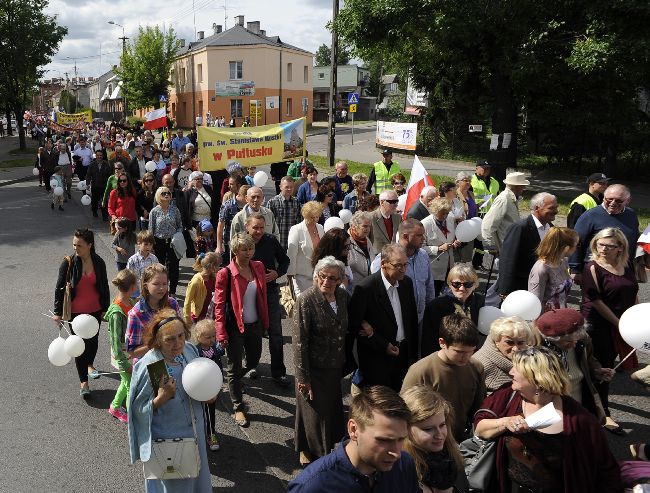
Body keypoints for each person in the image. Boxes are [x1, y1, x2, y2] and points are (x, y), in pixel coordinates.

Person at [473, 346, 621, 493]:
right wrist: (505, 422)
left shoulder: (580, 420)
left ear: (537, 379)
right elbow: (480, 430)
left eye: (517, 369)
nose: (511, 371)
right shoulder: (506, 395)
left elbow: (605, 468)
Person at [128, 310, 213, 492]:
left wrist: (208, 395)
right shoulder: (155, 365)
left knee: (196, 479)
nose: (178, 343)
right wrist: (161, 399)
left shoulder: (188, 351)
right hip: (170, 443)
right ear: (158, 340)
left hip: (195, 435)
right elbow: (137, 411)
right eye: (170, 339)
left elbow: (199, 384)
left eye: (181, 335)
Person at [288, 385, 421, 493]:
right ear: (353, 430)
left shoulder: (404, 465)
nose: (396, 453)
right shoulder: (312, 487)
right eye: (384, 440)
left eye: (401, 440)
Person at [293, 256, 351, 465]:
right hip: (313, 367)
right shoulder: (306, 300)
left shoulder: (343, 297)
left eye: (332, 278)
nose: (327, 281)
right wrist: (303, 377)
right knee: (312, 412)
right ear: (316, 276)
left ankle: (324, 448)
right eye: (322, 276)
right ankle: (310, 450)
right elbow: (299, 341)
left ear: (340, 280)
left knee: (330, 410)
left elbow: (351, 319)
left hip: (334, 365)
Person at [581, 227, 639, 433]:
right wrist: (619, 324)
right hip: (599, 326)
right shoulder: (592, 268)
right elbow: (596, 301)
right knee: (601, 370)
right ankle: (602, 414)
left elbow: (633, 292)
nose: (603, 249)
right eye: (600, 244)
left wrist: (636, 317)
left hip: (621, 324)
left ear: (620, 247)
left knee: (608, 368)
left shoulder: (626, 265)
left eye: (609, 245)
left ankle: (594, 412)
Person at [214, 233, 269, 427]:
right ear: (235, 251)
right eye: (244, 249)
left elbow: (262, 296)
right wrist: (221, 332)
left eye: (251, 249)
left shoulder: (258, 267)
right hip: (235, 328)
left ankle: (235, 379)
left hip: (255, 326)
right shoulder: (225, 273)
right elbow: (219, 305)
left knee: (253, 360)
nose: (248, 253)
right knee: (234, 367)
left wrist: (266, 322)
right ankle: (238, 407)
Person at [402, 314, 485, 440]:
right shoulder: (420, 371)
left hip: (461, 438)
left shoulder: (476, 367)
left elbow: (479, 406)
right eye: (459, 352)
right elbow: (405, 412)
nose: (466, 357)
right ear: (442, 343)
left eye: (471, 351)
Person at [350, 244, 418, 391]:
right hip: (377, 360)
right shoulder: (365, 288)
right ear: (383, 264)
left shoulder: (407, 283)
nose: (403, 270)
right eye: (398, 265)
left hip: (403, 355)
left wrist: (413, 355)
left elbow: (411, 321)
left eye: (406, 264)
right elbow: (356, 328)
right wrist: (383, 345)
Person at [53, 229, 110, 396]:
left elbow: (104, 286)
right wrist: (57, 312)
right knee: (78, 346)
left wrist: (105, 308)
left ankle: (90, 364)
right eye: (74, 245)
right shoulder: (68, 262)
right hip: (75, 313)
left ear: (90, 245)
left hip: (95, 310)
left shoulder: (98, 262)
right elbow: (59, 288)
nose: (76, 248)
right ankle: (84, 382)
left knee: (93, 342)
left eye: (80, 245)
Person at [536, 308, 611, 425]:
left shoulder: (582, 339)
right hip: (552, 403)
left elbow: (589, 358)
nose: (574, 344)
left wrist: (596, 370)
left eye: (576, 339)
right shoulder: (537, 351)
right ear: (552, 339)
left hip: (579, 399)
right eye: (568, 341)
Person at [370, 219, 435, 340]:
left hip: (420, 317)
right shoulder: (383, 260)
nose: (424, 239)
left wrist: (430, 310)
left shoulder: (423, 255)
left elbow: (428, 284)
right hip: (396, 322)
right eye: (419, 235)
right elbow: (376, 294)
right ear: (405, 236)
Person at [247, 213, 291, 387]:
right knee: (251, 332)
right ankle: (251, 366)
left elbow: (285, 261)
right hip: (249, 293)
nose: (258, 231)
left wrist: (277, 273)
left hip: (270, 291)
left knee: (276, 333)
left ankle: (278, 372)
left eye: (261, 227)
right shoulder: (241, 243)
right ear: (247, 227)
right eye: (255, 227)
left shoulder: (271, 241)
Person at [401, 385, 468, 493]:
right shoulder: (399, 469)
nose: (439, 434)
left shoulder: (452, 459)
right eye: (428, 429)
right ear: (406, 430)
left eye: (442, 425)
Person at [569, 184, 640, 282]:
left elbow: (634, 239)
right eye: (609, 199)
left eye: (618, 200)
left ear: (628, 200)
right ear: (603, 198)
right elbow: (576, 242)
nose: (613, 203)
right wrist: (575, 269)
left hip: (624, 269)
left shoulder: (631, 215)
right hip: (597, 272)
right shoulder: (590, 216)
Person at [493, 192, 558, 299]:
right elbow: (508, 259)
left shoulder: (550, 228)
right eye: (551, 208)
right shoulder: (520, 228)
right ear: (537, 208)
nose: (556, 211)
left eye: (556, 207)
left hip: (542, 286)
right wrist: (505, 290)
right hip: (521, 286)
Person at [421, 264, 485, 357]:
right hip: (445, 357)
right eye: (457, 284)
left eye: (467, 284)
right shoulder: (436, 306)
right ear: (450, 284)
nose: (462, 288)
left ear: (475, 285)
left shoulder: (479, 301)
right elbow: (428, 341)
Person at [126, 263, 182, 360]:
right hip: (151, 364)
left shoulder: (172, 303)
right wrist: (157, 343)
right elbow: (133, 352)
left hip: (174, 358)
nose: (162, 288)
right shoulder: (136, 314)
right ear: (146, 285)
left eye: (165, 284)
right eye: (156, 284)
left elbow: (182, 331)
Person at [104, 269, 137, 423]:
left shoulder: (129, 301)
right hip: (122, 354)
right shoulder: (117, 312)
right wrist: (123, 362)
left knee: (126, 381)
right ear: (131, 287)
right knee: (130, 383)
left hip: (129, 351)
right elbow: (115, 341)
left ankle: (115, 407)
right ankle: (132, 416)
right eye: (136, 284)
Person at [473, 316, 535, 393]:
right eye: (509, 342)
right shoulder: (480, 364)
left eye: (520, 343)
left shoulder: (534, 359)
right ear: (496, 340)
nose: (515, 348)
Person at [191, 319, 226, 452]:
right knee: (198, 411)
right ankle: (198, 433)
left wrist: (222, 345)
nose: (212, 339)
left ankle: (211, 434)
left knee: (210, 411)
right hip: (200, 386)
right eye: (208, 337)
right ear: (199, 337)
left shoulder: (214, 348)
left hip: (212, 386)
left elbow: (221, 351)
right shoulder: (195, 351)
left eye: (213, 336)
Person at [528, 226, 579, 311]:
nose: (576, 248)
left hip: (560, 314)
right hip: (546, 318)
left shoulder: (563, 262)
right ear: (566, 248)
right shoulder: (541, 269)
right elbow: (535, 302)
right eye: (576, 245)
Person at [481, 172, 528, 253]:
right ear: (517, 187)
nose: (524, 188)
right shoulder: (504, 199)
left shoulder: (511, 198)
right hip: (504, 249)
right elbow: (488, 224)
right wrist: (490, 247)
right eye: (523, 186)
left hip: (509, 247)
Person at [149, 186, 183, 295]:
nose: (167, 195)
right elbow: (151, 230)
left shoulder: (175, 209)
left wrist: (177, 235)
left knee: (173, 267)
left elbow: (180, 226)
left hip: (172, 242)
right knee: (159, 268)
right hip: (159, 242)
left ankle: (172, 291)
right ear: (158, 195)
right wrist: (151, 246)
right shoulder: (154, 211)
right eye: (163, 193)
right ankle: (160, 291)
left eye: (168, 193)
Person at [421, 198, 459, 295]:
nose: (445, 216)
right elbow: (420, 248)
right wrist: (438, 248)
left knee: (449, 294)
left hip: (449, 265)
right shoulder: (425, 224)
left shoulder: (450, 219)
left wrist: (455, 242)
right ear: (434, 211)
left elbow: (453, 237)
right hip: (434, 269)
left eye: (447, 213)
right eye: (442, 213)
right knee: (434, 294)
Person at [287, 202, 325, 296]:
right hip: (302, 277)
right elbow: (291, 254)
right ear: (305, 216)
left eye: (317, 217)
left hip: (319, 273)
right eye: (312, 217)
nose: (315, 220)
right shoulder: (296, 229)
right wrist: (290, 276)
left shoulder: (320, 228)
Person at [184, 252, 221, 325]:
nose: (219, 267)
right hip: (198, 316)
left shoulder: (213, 278)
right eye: (217, 265)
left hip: (209, 313)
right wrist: (188, 319)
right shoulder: (195, 281)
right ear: (212, 266)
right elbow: (187, 302)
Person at [216, 183, 249, 264]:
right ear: (242, 196)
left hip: (246, 241)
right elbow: (220, 226)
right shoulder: (228, 205)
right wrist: (219, 246)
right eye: (248, 198)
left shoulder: (248, 206)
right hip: (230, 241)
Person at [267, 176, 302, 250]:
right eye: (287, 187)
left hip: (292, 242)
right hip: (277, 243)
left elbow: (299, 222)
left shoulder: (297, 202)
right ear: (280, 187)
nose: (289, 189)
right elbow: (268, 224)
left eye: (291, 187)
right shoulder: (272, 202)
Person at [453, 171, 478, 263]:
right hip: (458, 229)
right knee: (457, 258)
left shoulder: (471, 194)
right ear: (458, 182)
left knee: (465, 258)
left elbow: (473, 208)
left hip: (470, 228)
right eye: (465, 180)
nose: (468, 183)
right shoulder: (454, 195)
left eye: (469, 180)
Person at [347, 211, 377, 287]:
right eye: (365, 226)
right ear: (354, 226)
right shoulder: (346, 242)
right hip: (353, 287)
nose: (368, 229)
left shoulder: (367, 240)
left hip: (368, 284)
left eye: (369, 226)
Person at [126, 231, 159, 299]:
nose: (148, 247)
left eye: (150, 244)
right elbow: (128, 277)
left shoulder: (154, 259)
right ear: (139, 243)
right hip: (136, 292)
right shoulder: (132, 260)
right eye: (146, 244)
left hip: (150, 291)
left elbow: (157, 274)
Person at [369, 189, 402, 254]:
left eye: (396, 201)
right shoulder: (370, 218)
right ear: (382, 203)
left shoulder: (397, 217)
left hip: (393, 256)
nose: (395, 205)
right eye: (391, 202)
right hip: (377, 257)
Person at [86, 148, 112, 220]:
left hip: (104, 186)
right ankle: (94, 211)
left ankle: (105, 215)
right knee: (95, 200)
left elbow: (109, 174)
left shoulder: (106, 164)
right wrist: (87, 184)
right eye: (98, 155)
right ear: (96, 156)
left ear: (102, 156)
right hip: (95, 185)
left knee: (104, 201)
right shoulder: (92, 164)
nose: (99, 157)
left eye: (101, 155)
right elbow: (88, 175)